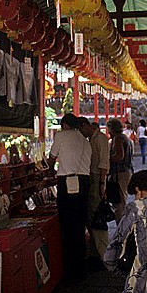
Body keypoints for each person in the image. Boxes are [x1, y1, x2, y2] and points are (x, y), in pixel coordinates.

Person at [48, 113, 91, 281]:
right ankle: (80, 266)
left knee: (67, 225)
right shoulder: (84, 141)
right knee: (80, 224)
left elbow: (52, 158)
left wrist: (50, 170)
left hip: (68, 182)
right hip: (84, 182)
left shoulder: (61, 135)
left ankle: (70, 269)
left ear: (65, 124)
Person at [76, 116, 110, 269]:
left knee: (97, 217)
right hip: (91, 178)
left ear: (85, 126)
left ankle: (104, 255)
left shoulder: (101, 138)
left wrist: (102, 185)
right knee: (91, 216)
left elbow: (103, 163)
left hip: (97, 179)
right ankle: (95, 254)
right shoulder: (90, 140)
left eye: (81, 130)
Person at [107, 117, 133, 222]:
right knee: (122, 199)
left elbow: (119, 156)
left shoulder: (118, 139)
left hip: (120, 172)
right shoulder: (126, 138)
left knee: (119, 202)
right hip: (126, 171)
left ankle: (122, 228)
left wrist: (107, 159)